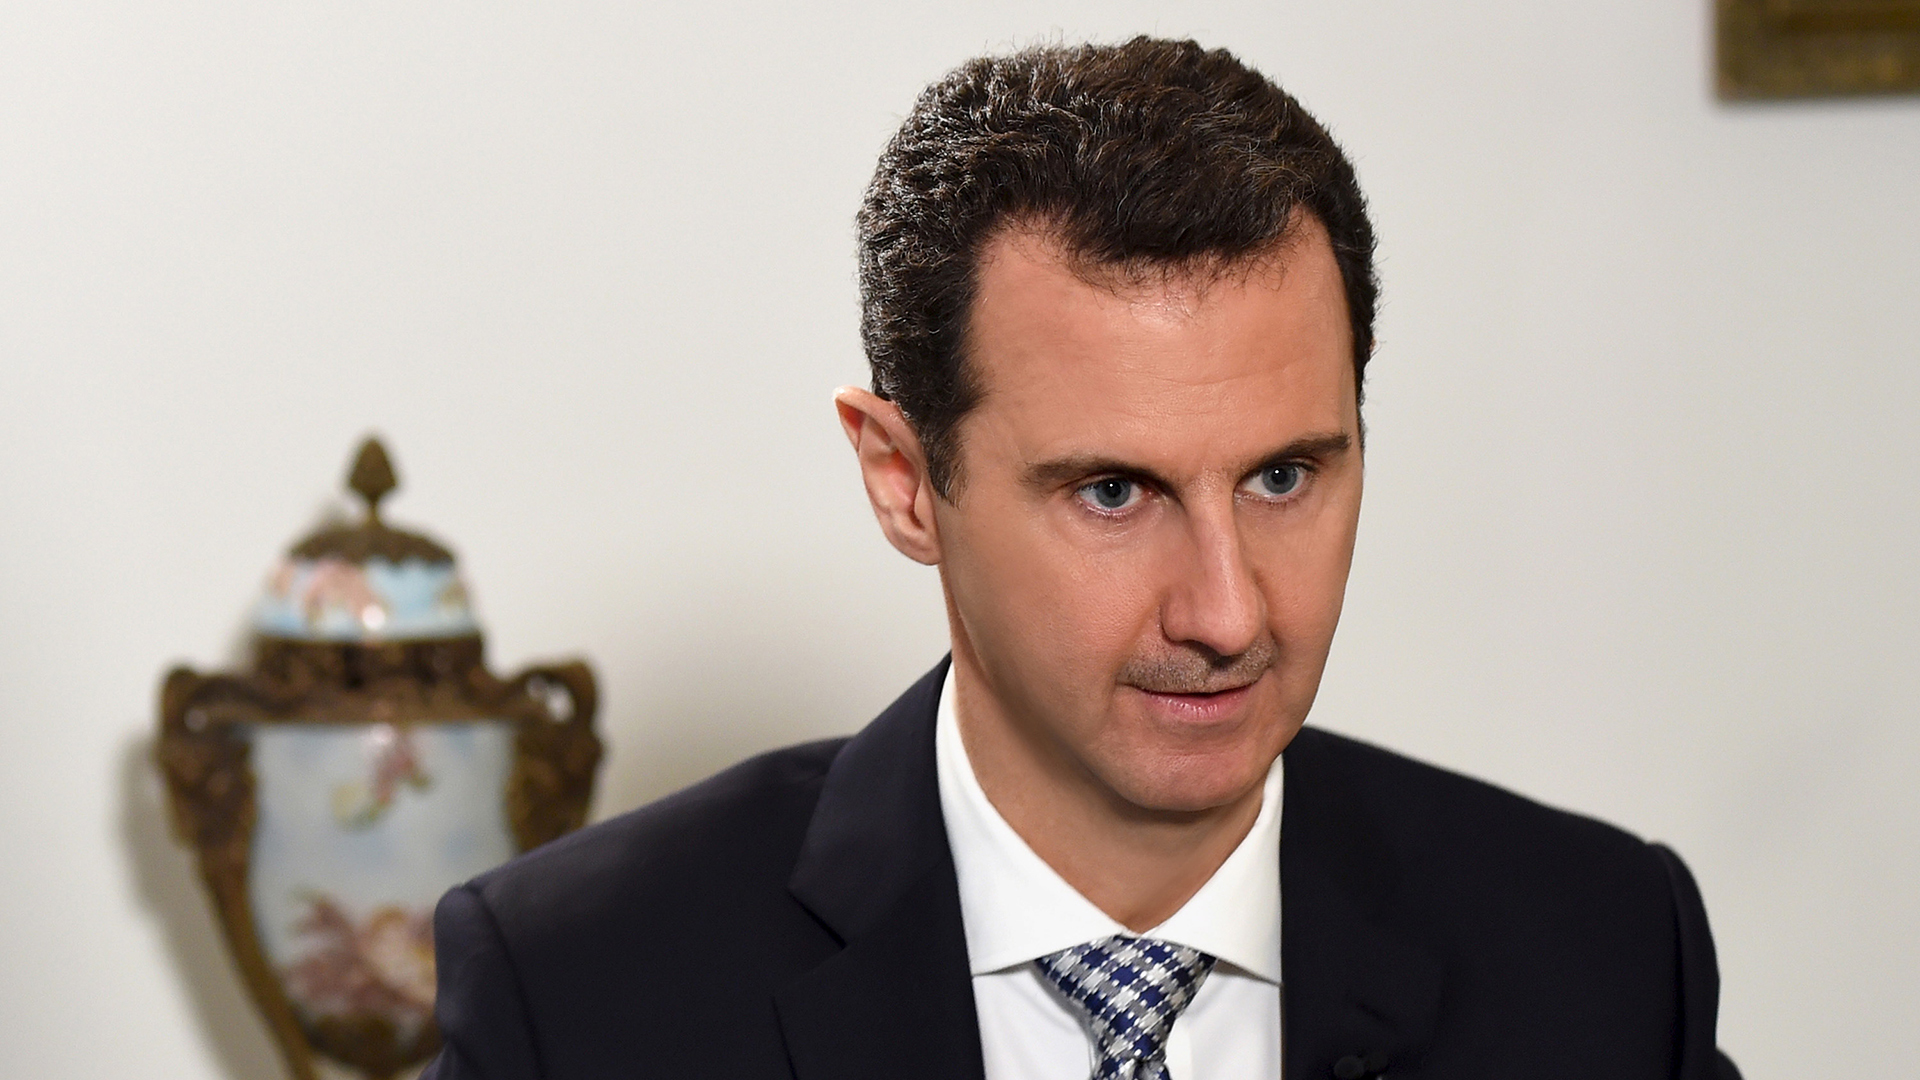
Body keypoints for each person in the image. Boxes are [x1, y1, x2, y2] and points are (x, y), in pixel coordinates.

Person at [422, 37, 1741, 1080]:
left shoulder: (1606, 952)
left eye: (1285, 477)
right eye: (1114, 493)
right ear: (903, 481)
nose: (1228, 613)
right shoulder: (577, 994)